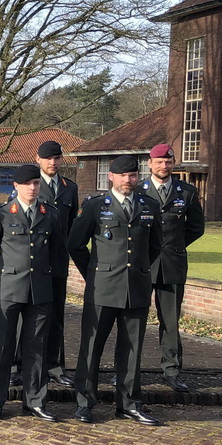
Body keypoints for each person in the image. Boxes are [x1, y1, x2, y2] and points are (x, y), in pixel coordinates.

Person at [69, 154, 163, 425]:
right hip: (102, 288)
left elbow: (155, 245)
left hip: (136, 288)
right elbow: (75, 244)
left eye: (133, 175)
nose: (128, 180)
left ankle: (129, 404)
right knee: (92, 346)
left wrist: (139, 270)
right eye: (123, 175)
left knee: (132, 349)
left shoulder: (149, 205)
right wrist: (95, 272)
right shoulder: (95, 206)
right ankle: (84, 403)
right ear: (111, 177)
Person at [0, 164, 64, 421]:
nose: (32, 188)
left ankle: (35, 401)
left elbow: (57, 250)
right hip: (10, 288)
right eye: (27, 184)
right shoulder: (2, 214)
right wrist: (2, 277)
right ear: (15, 186)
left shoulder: (50, 214)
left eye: (36, 183)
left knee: (37, 346)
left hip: (39, 289)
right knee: (3, 346)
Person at [140, 143, 205, 392]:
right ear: (150, 164)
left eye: (168, 162)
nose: (164, 166)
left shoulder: (186, 192)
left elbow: (196, 227)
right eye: (159, 161)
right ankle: (127, 369)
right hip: (143, 264)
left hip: (172, 264)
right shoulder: (138, 190)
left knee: (170, 322)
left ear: (173, 163)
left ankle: (172, 370)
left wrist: (176, 246)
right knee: (134, 321)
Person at [27, 139, 79, 388]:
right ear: (38, 159)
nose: (53, 162)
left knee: (57, 315)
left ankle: (55, 366)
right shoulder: (30, 185)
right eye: (48, 158)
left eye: (57, 158)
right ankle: (22, 364)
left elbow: (72, 226)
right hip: (34, 261)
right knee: (29, 316)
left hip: (58, 262)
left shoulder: (70, 188)